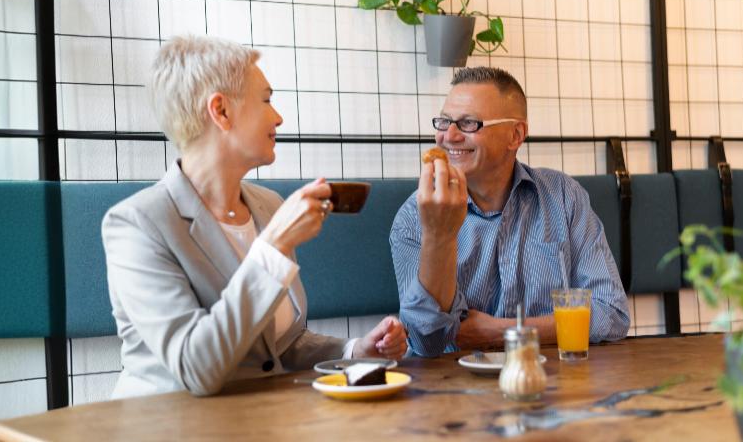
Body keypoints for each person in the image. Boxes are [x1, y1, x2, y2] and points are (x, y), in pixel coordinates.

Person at [103, 35, 406, 398]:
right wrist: (274, 246)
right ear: (221, 111)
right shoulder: (137, 224)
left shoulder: (267, 205)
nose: (277, 116)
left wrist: (354, 351)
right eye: (266, 100)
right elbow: (196, 368)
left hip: (260, 423)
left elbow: (275, 347)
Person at [391, 67, 631, 357]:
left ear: (515, 135)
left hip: (552, 383)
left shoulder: (564, 197)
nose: (448, 136)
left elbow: (612, 314)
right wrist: (437, 234)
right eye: (444, 122)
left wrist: (501, 331)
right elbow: (426, 343)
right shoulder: (414, 216)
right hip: (454, 388)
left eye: (468, 123)